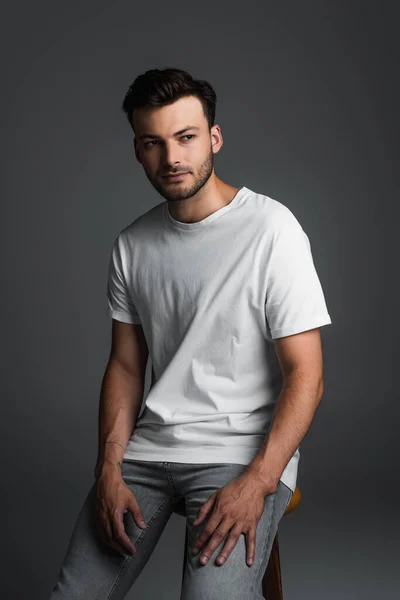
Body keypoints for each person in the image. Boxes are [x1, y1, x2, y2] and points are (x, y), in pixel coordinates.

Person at [48, 67, 332, 599]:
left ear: (214, 138)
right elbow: (126, 368)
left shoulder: (272, 230)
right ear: (137, 150)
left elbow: (307, 376)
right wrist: (108, 469)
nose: (172, 158)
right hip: (149, 451)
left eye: (186, 138)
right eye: (154, 143)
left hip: (241, 454)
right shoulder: (132, 245)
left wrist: (259, 481)